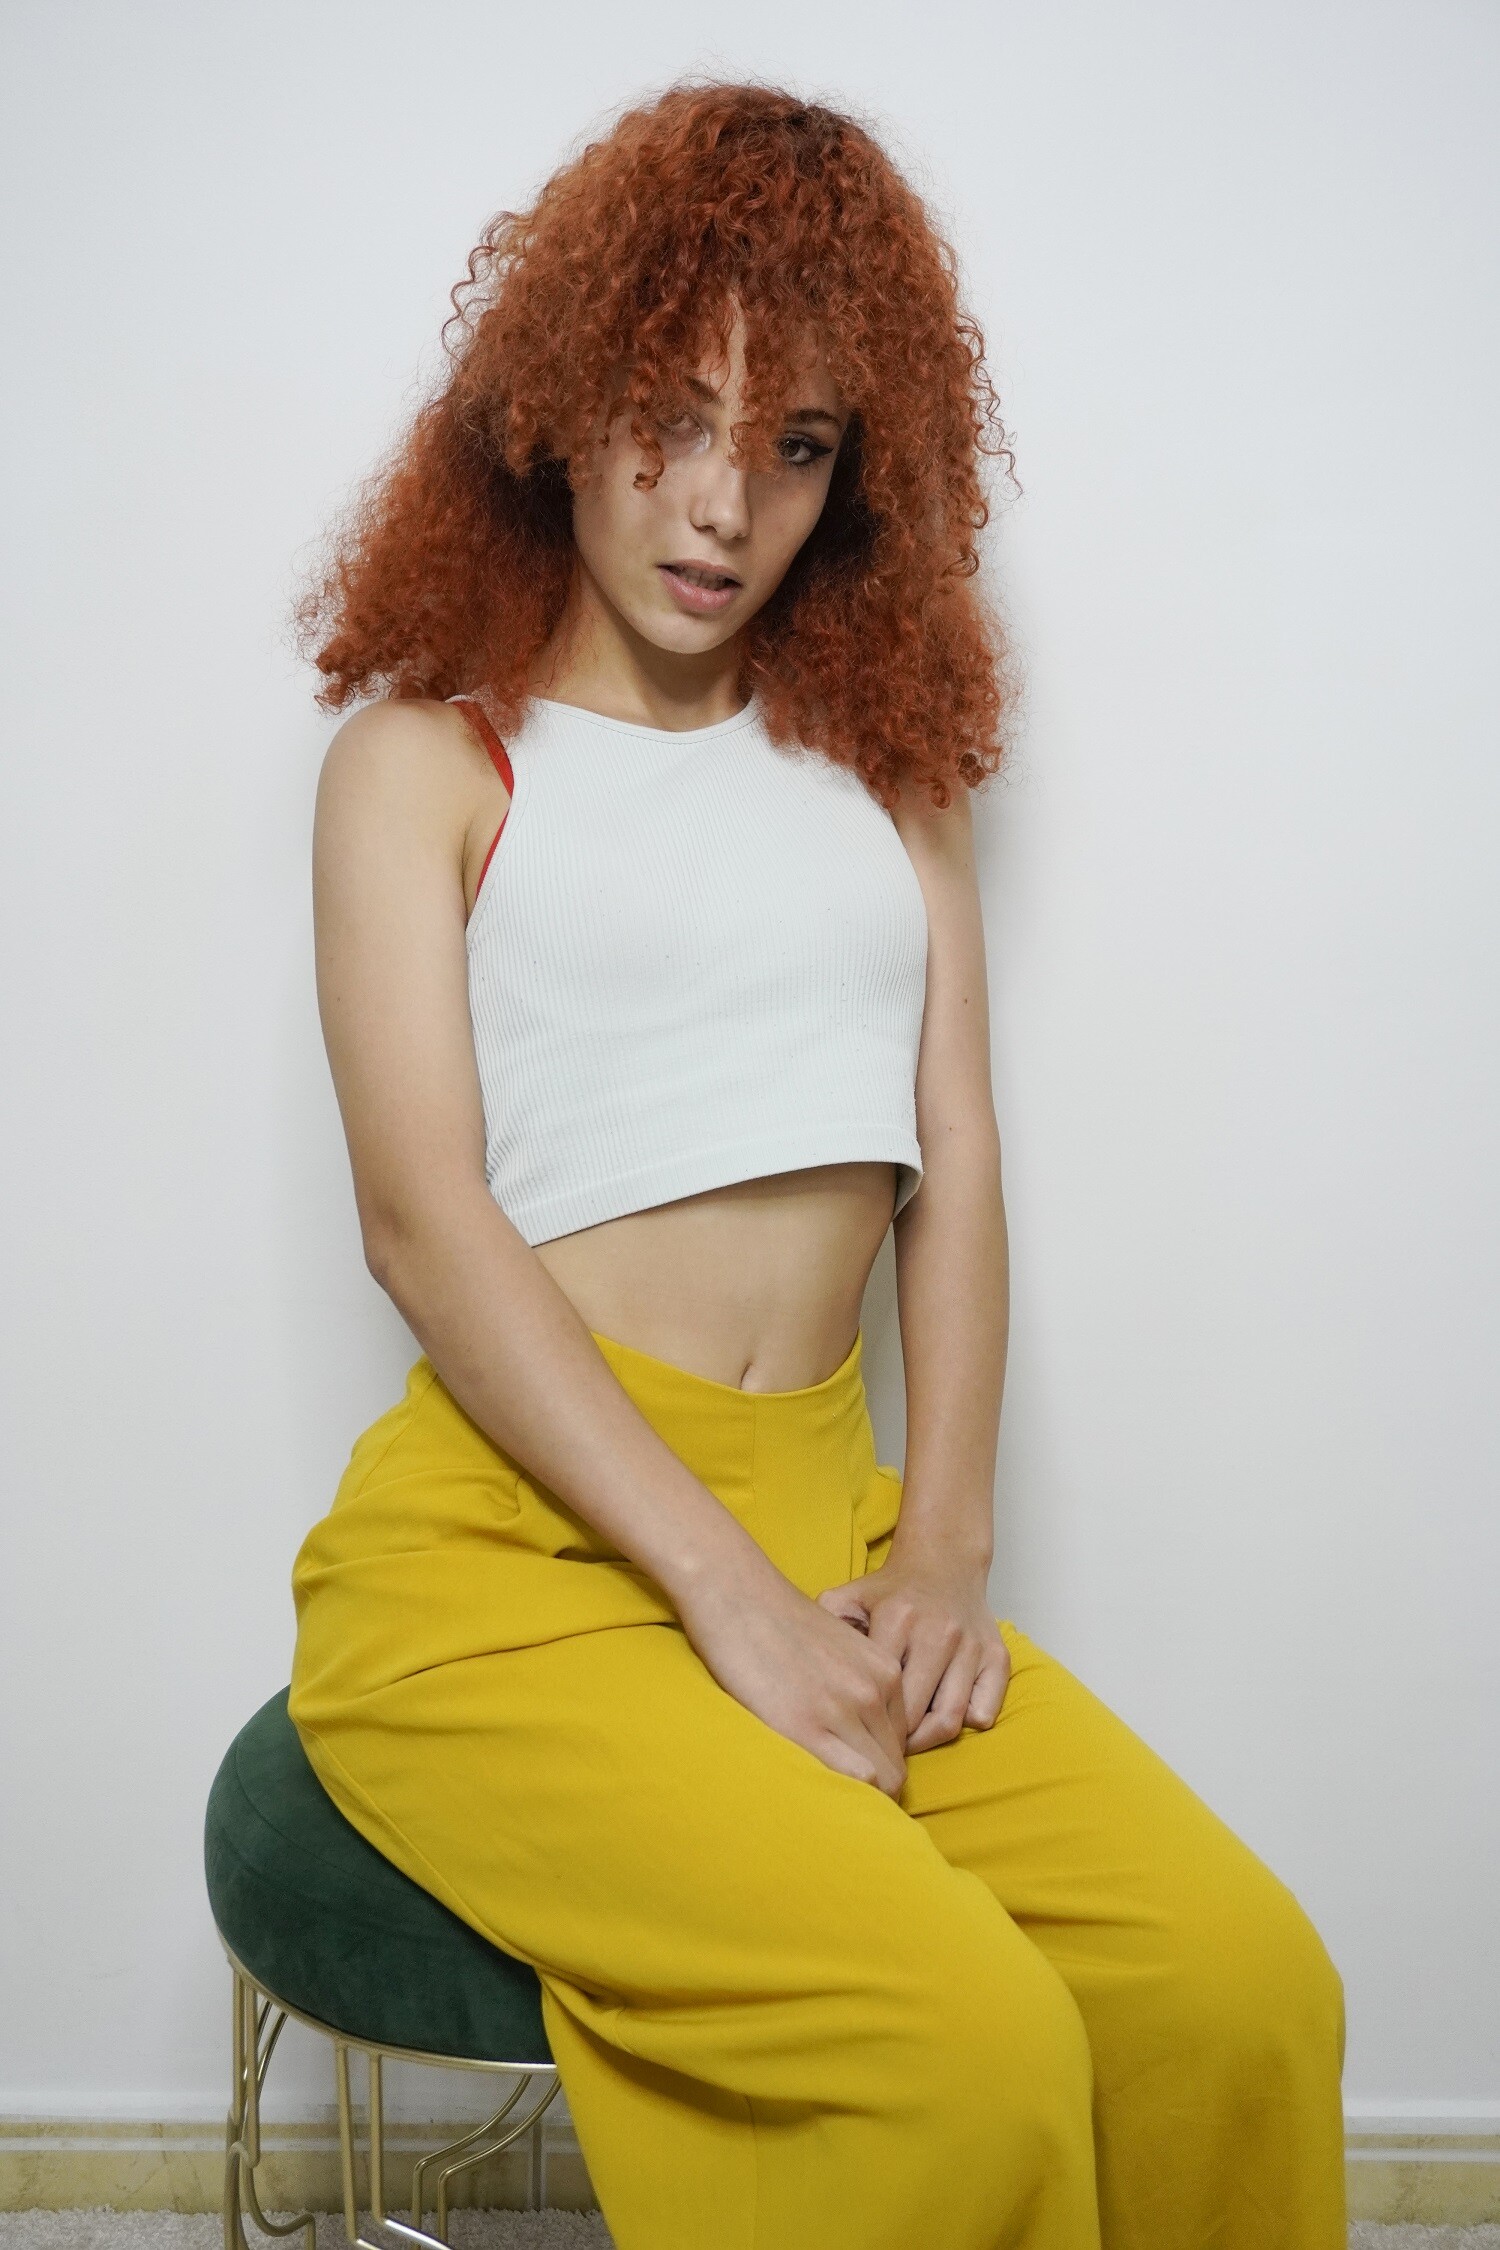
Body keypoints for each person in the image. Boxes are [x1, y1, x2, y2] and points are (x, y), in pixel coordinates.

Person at [286, 79, 1347, 2250]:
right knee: (963, 2048)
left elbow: (955, 1156)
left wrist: (942, 1542)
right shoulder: (427, 763)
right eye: (672, 420)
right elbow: (419, 1221)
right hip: (511, 1577)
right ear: (563, 402)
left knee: (1243, 1989)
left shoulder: (884, 772)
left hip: (838, 1527)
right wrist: (728, 1600)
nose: (723, 505)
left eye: (795, 446)